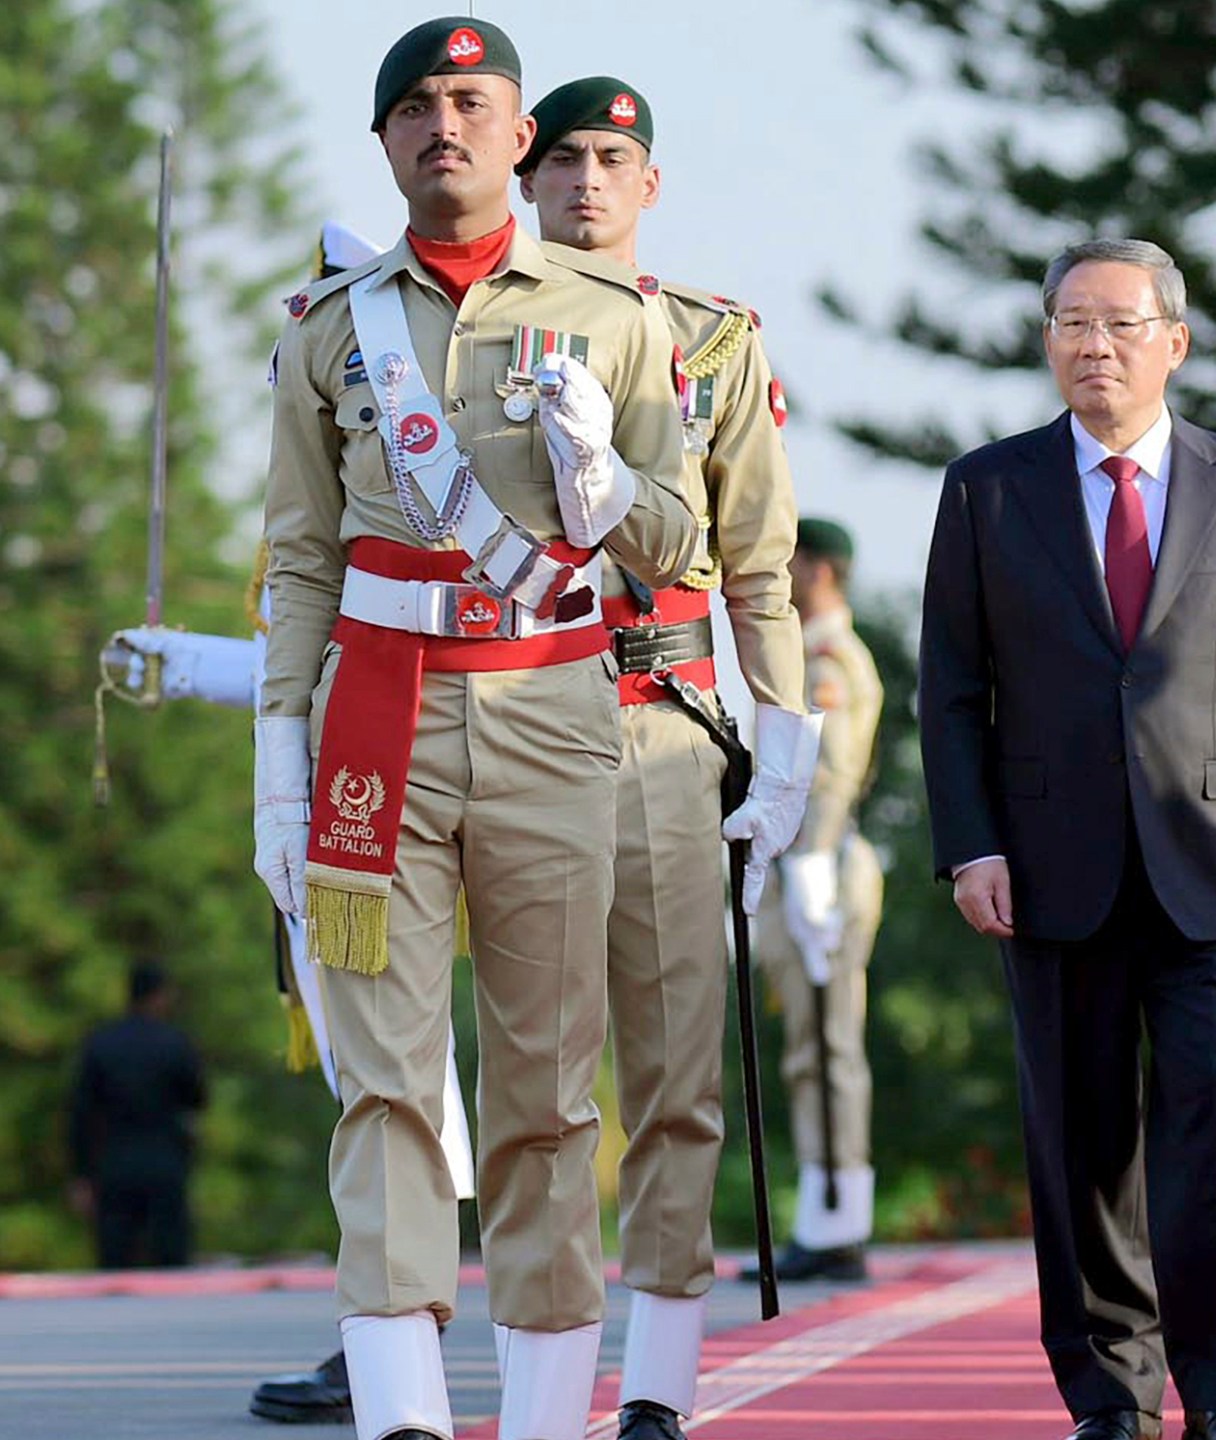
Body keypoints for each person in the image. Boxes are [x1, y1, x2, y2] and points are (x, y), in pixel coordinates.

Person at [256, 18, 700, 1440]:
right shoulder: (331, 331)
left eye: (472, 101)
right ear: (382, 141)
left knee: (546, 1083)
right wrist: (280, 762)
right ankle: (400, 1413)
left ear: (518, 136)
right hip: (373, 717)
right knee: (384, 1082)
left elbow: (677, 543)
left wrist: (605, 469)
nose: (444, 125)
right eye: (417, 106)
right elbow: (302, 563)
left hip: (552, 713)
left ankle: (549, 1406)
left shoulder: (621, 319)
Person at [920, 236, 1216, 1440]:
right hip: (1047, 864)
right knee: (1079, 1139)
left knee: (1213, 1128)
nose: (1095, 345)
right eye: (1072, 324)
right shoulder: (989, 488)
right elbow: (949, 687)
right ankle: (1109, 1393)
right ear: (1046, 343)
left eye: (1122, 324)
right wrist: (969, 845)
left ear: (1174, 345)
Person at [108, 219, 486, 1429]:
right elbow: (300, 653)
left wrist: (209, 668)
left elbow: (362, 650)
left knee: (398, 1082)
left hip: (390, 806)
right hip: (321, 810)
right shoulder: (311, 493)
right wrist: (192, 666)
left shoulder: (411, 487)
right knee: (368, 1081)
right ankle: (384, 1336)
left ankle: (398, 1339)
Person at [514, 77, 816, 1440]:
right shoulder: (459, 335)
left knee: (675, 1064)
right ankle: (540, 1362)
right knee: (539, 1072)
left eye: (614, 159)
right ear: (523, 176)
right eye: (565, 156)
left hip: (654, 724)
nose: (587, 180)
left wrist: (790, 740)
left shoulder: (711, 341)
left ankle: (656, 1378)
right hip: (504, 720)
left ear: (649, 187)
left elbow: (758, 564)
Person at [753, 518, 886, 1284]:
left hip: (823, 872)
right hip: (803, 869)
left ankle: (839, 1222)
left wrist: (808, 874)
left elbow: (830, 775)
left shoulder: (832, 660)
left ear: (823, 569)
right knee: (811, 1049)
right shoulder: (809, 653)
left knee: (831, 1048)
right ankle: (824, 1214)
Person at [67, 960, 206, 1270]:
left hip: (112, 1161)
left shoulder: (100, 1043)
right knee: (170, 1258)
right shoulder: (175, 1043)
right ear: (160, 996)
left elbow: (81, 1113)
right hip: (164, 1160)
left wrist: (81, 1173)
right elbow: (196, 1100)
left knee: (115, 1257)